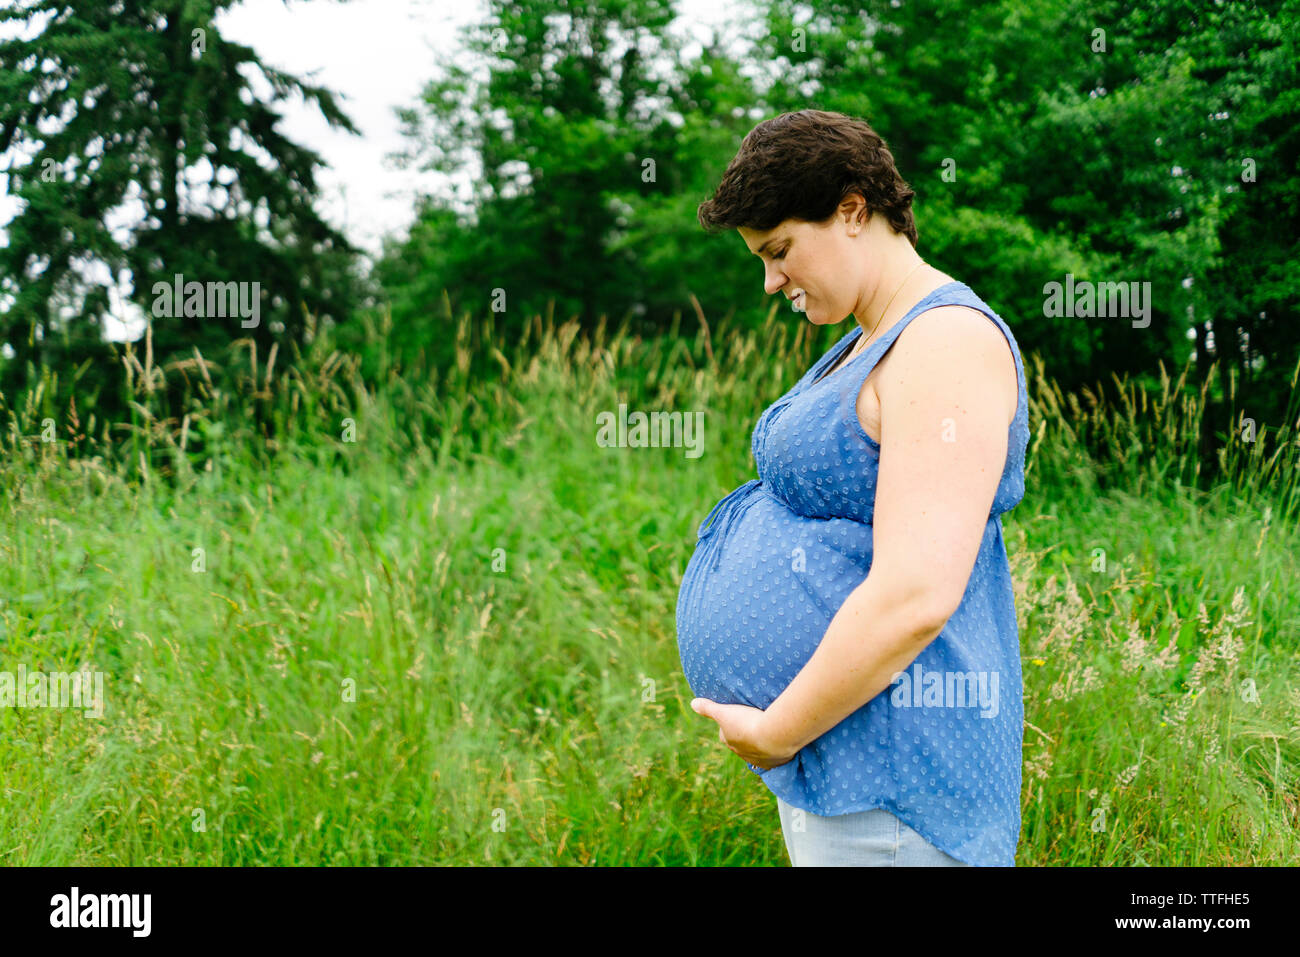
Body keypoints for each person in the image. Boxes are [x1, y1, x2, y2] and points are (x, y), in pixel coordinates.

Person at [675, 109, 1030, 866]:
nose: (772, 282)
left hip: (900, 788)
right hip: (849, 776)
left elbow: (915, 593)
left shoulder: (945, 343)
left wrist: (776, 732)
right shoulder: (869, 337)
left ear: (852, 210)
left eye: (779, 252)